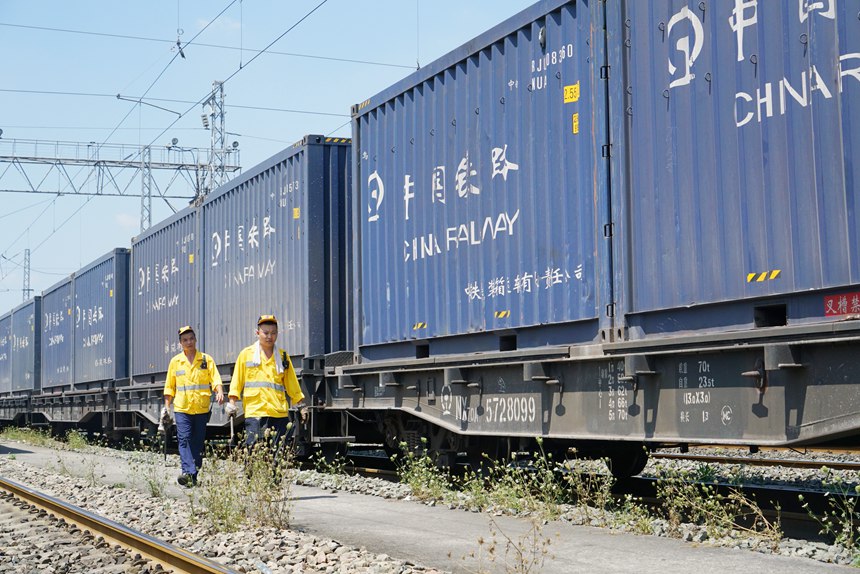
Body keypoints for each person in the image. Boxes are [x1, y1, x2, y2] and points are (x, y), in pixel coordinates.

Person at [225, 314, 308, 457]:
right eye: (266, 333)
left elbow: (292, 383)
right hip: (255, 411)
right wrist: (232, 403)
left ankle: (275, 472)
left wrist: (300, 405)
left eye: (273, 333)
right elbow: (237, 381)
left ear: (277, 333)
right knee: (254, 452)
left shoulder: (282, 356)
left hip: (278, 412)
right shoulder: (246, 355)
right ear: (257, 333)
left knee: (278, 454)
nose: (270, 336)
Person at [162, 325, 224, 487]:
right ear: (180, 343)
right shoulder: (175, 362)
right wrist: (167, 407)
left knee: (197, 441)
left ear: (195, 340)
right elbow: (169, 386)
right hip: (182, 408)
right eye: (185, 340)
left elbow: (215, 378)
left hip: (201, 408)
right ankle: (188, 472)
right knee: (184, 439)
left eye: (191, 339)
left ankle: (193, 474)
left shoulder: (206, 360)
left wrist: (219, 391)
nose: (188, 342)